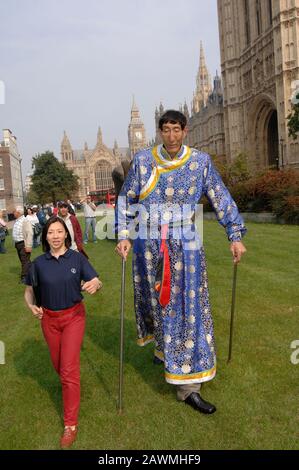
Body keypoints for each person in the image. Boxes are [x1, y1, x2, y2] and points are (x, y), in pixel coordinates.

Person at [116, 110, 247, 414]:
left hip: (186, 246)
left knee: (188, 310)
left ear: (185, 131)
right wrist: (123, 233)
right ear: (160, 131)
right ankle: (165, 350)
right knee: (157, 303)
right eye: (166, 130)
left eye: (177, 130)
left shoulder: (200, 162)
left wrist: (235, 234)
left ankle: (188, 386)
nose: (172, 136)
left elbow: (220, 196)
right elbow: (127, 198)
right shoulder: (143, 161)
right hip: (149, 246)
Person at [24, 216, 102, 448]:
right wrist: (31, 306)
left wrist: (94, 284)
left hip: (73, 318)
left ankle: (70, 425)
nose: (55, 236)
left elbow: (96, 280)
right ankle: (72, 387)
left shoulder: (77, 258)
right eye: (51, 233)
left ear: (66, 234)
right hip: (49, 320)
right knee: (59, 367)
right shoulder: (38, 264)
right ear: (45, 236)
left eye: (59, 232)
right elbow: (29, 291)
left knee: (68, 370)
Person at [12, 206, 33, 283]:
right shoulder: (17, 220)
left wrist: (28, 246)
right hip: (18, 244)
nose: (13, 212)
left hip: (23, 243)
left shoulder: (25, 220)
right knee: (24, 260)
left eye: (14, 211)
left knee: (24, 261)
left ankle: (24, 277)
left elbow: (30, 233)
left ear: (18, 213)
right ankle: (33, 272)